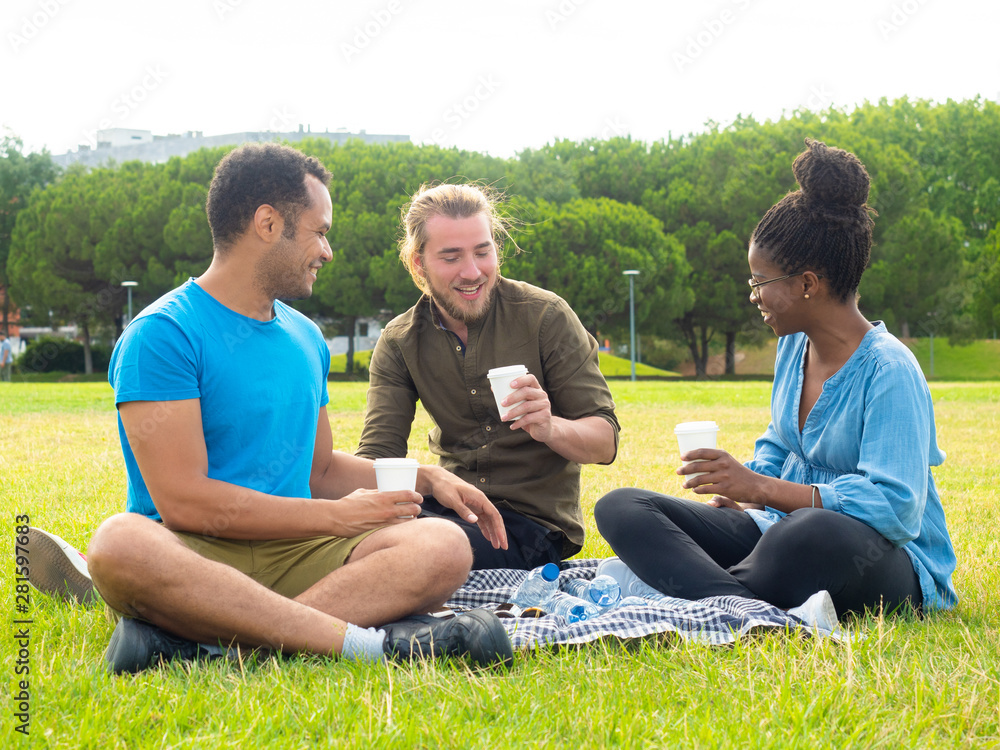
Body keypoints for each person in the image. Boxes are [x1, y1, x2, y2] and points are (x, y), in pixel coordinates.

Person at [86, 143, 513, 674]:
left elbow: (323, 470)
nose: (327, 251)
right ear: (268, 224)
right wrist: (334, 518)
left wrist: (425, 478)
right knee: (118, 543)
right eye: (320, 231)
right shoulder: (162, 335)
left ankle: (211, 646)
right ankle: (366, 646)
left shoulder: (304, 337)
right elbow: (184, 502)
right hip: (195, 554)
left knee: (445, 546)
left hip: (295, 553)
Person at [595, 140, 958, 619]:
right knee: (623, 508)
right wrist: (742, 496)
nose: (753, 296)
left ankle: (701, 594)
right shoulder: (793, 348)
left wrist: (761, 489)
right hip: (778, 530)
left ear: (807, 284)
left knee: (809, 531)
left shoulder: (890, 370)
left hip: (882, 562)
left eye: (759, 282)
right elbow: (779, 449)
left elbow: (895, 509)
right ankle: (738, 604)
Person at [357, 183, 621, 570]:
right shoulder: (400, 341)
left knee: (417, 550)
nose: (473, 271)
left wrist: (550, 427)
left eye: (483, 251)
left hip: (531, 526)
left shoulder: (545, 316)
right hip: (448, 511)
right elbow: (378, 458)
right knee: (355, 539)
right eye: (451, 257)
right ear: (418, 263)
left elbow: (605, 442)